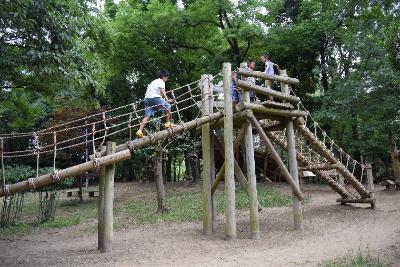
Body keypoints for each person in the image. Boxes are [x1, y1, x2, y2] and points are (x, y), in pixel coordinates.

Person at [136, 70, 174, 138]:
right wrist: (167, 100)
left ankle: (139, 131)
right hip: (154, 98)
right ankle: (168, 123)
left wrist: (163, 100)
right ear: (163, 77)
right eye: (167, 77)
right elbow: (162, 91)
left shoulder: (154, 81)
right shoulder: (161, 81)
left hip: (147, 99)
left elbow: (159, 94)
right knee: (168, 106)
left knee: (147, 116)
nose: (167, 79)